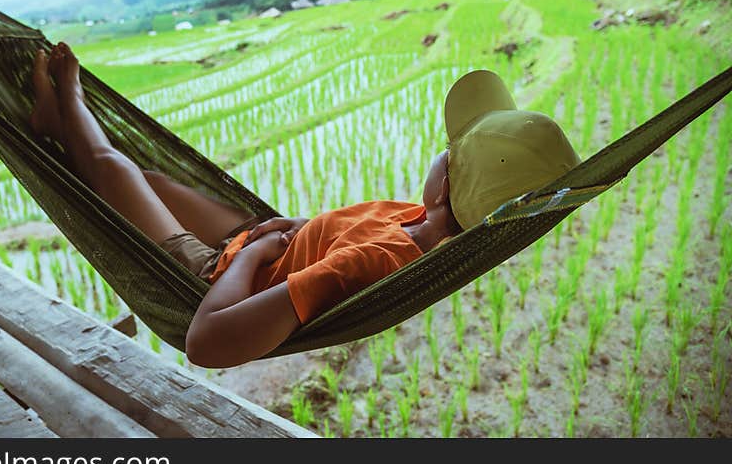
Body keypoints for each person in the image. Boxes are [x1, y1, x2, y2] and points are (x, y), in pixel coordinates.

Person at [30, 43, 580, 368]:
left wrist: (250, 258)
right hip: (256, 239)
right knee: (146, 178)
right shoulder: (423, 222)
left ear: (445, 186)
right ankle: (56, 126)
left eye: (447, 151)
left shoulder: (373, 264)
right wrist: (289, 229)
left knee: (114, 170)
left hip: (215, 275)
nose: (438, 155)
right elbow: (338, 230)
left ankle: (69, 98)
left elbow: (206, 341)